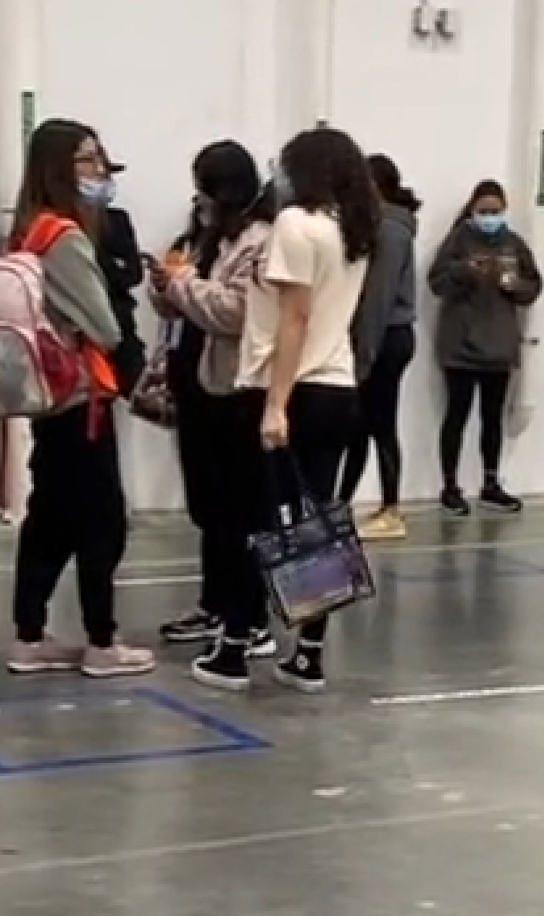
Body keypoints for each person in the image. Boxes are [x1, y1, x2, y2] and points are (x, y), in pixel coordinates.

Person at [190, 127, 375, 695]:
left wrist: (275, 403)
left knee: (252, 522)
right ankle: (309, 654)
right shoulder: (351, 229)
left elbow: (293, 317)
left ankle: (234, 647)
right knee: (315, 527)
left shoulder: (295, 225)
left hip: (288, 388)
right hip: (337, 386)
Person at [4, 119, 151, 679]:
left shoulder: (26, 231)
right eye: (88, 160)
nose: (99, 171)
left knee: (50, 518)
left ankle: (29, 636)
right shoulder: (63, 238)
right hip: (81, 398)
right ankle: (101, 642)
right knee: (101, 520)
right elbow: (106, 327)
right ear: (60, 168)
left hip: (48, 396)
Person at [149, 140, 277, 655]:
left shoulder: (260, 243)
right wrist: (165, 286)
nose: (198, 200)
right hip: (196, 384)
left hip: (236, 391)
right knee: (209, 507)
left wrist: (183, 286)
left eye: (204, 189)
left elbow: (235, 311)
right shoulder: (206, 239)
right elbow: (181, 303)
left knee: (241, 509)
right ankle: (216, 604)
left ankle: (252, 616)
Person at [427, 180, 543, 514]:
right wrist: (464, 271)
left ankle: (491, 483)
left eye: (496, 211)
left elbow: (534, 286)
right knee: (456, 416)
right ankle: (450, 485)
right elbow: (436, 283)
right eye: (484, 211)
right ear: (472, 210)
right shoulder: (457, 241)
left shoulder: (514, 244)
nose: (490, 217)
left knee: (492, 419)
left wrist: (516, 285)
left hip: (499, 348)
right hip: (460, 348)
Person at [342, 154, 419, 539]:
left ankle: (392, 509)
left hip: (386, 337)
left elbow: (378, 297)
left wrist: (363, 357)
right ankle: (341, 504)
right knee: (359, 426)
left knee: (381, 424)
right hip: (379, 335)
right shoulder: (381, 226)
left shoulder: (390, 231)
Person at [81, 130, 149, 396]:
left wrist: (105, 266)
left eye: (107, 174)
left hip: (121, 325)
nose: (103, 178)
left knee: (137, 391)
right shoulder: (64, 228)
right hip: (84, 337)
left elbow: (132, 274)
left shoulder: (117, 220)